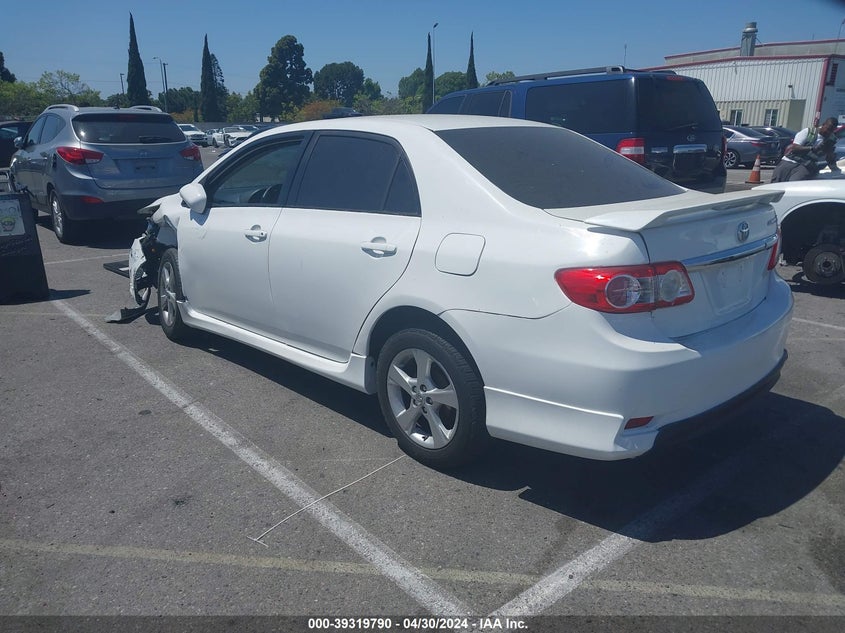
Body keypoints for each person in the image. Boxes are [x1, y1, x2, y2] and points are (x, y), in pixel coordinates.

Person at [771, 117, 840, 182]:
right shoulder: (808, 132)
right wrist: (812, 148)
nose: (828, 132)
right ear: (823, 125)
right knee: (776, 183)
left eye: (831, 130)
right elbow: (794, 148)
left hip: (806, 166)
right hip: (790, 161)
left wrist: (835, 170)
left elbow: (829, 157)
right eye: (827, 129)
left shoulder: (830, 140)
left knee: (794, 185)